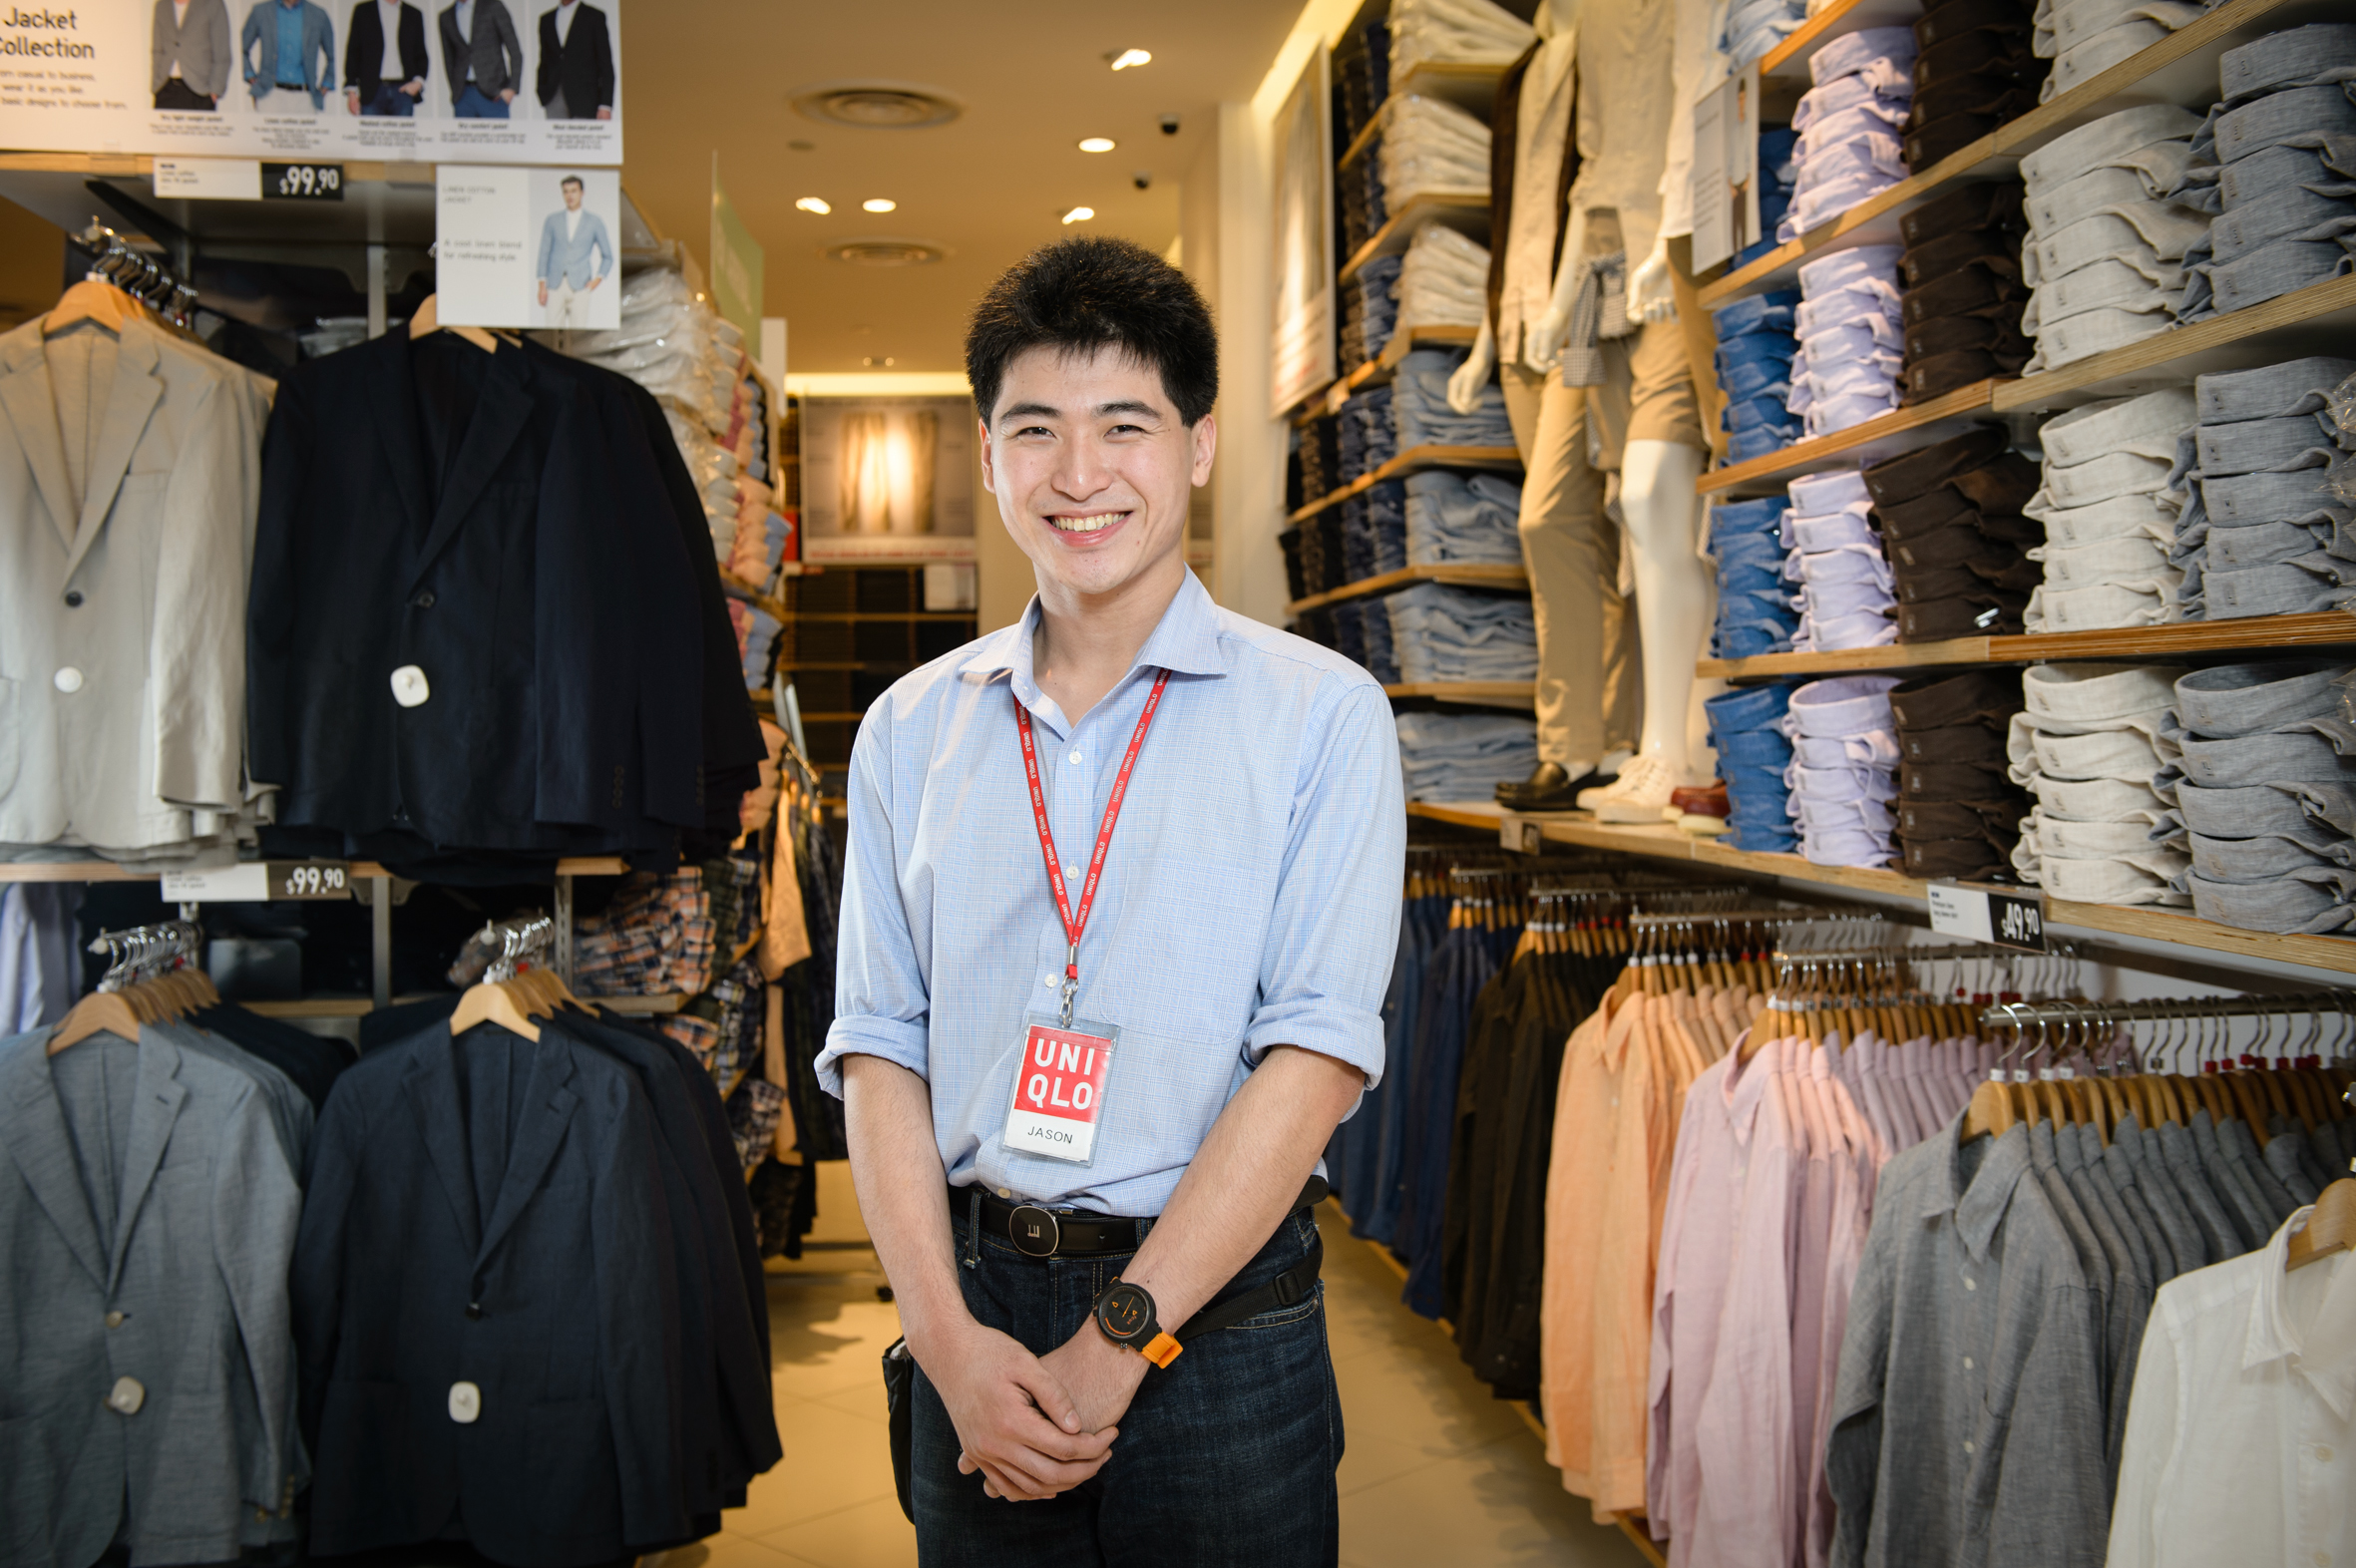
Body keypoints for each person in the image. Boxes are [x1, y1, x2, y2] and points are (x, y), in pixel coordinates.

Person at [819, 235, 1404, 1566]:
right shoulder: (910, 727)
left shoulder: (1321, 716)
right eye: (1035, 429)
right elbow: (879, 1046)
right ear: (987, 455)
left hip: (1221, 1325)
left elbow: (1315, 1055)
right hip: (972, 1311)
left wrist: (1119, 1339)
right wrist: (943, 1340)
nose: (1077, 476)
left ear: (1198, 446)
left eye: (1123, 426)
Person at [536, 175, 612, 328]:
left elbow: (607, 256)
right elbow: (544, 252)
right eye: (566, 191)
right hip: (555, 283)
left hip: (581, 284)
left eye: (574, 191)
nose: (570, 195)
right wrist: (542, 286)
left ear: (582, 193)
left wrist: (596, 281)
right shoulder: (552, 220)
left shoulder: (594, 221)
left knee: (579, 330)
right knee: (551, 328)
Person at [240, 0, 334, 112]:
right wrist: (252, 79)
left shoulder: (318, 14)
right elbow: (240, 48)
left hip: (305, 97)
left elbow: (332, 56)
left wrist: (325, 87)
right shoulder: (261, 11)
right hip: (270, 96)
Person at [437, 0, 521, 118]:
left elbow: (515, 51)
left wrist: (512, 88)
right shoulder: (446, 16)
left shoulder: (493, 6)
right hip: (463, 96)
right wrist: (456, 91)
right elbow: (449, 59)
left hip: (494, 94)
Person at [343, 0, 427, 116]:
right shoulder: (363, 11)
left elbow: (421, 54)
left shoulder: (413, 14)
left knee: (403, 129)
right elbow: (353, 53)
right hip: (372, 91)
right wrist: (352, 91)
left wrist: (418, 82)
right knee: (371, 128)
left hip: (403, 92)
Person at [535, 0, 611, 120]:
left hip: (586, 99)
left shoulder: (594, 16)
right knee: (554, 132)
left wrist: (605, 105)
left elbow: (605, 63)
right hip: (554, 97)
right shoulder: (546, 19)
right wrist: (542, 90)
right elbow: (544, 60)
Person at [153, 0, 233, 111]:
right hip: (165, 88)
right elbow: (157, 50)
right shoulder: (162, 5)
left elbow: (222, 53)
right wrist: (156, 86)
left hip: (199, 91)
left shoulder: (212, 3)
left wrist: (215, 91)